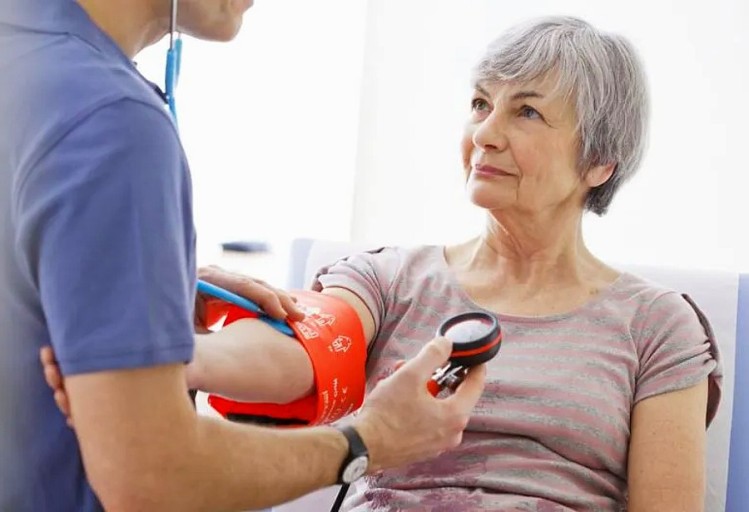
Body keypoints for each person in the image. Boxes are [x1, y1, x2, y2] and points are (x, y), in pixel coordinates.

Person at [40, 14, 724, 512]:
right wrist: (165, 358)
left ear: (599, 161)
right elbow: (298, 353)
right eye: (480, 103)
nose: (484, 133)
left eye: (527, 114)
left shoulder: (656, 325)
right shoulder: (390, 278)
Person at [0, 0, 487, 510]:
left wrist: (133, 281)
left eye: (529, 112)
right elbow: (154, 475)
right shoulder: (111, 121)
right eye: (480, 104)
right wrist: (369, 441)